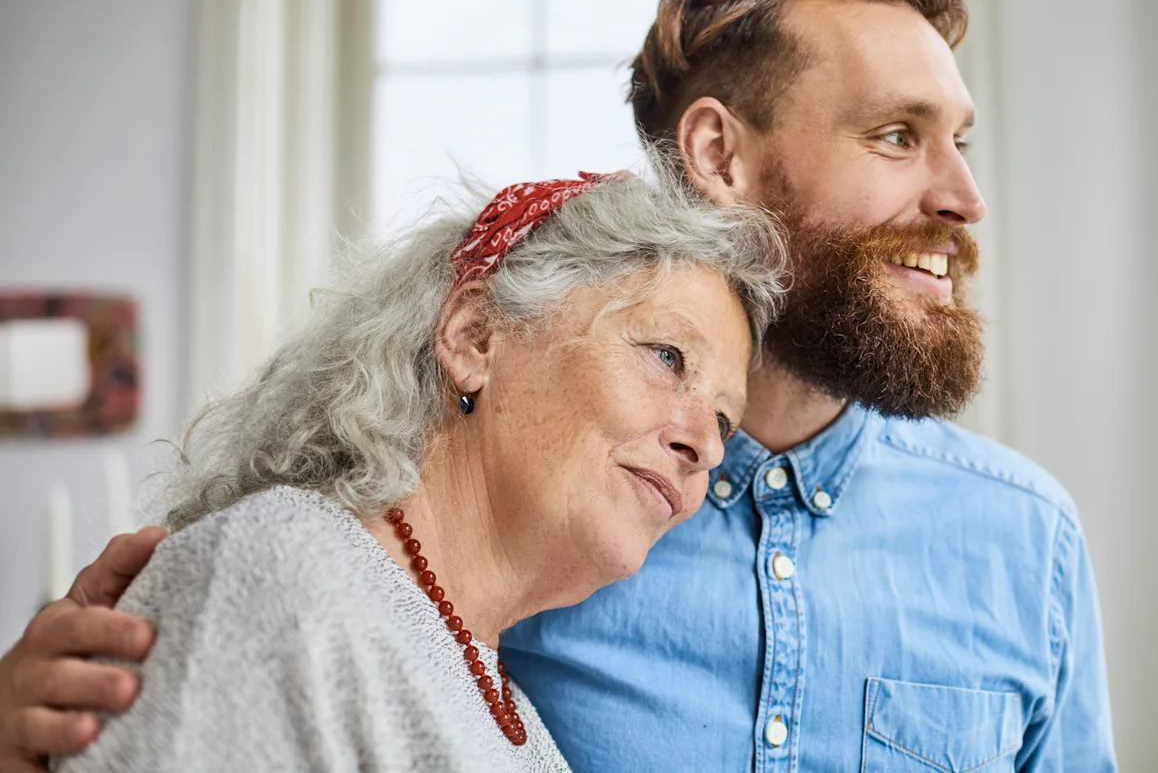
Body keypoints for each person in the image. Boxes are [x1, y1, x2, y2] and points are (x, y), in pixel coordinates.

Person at [0, 0, 1118, 771]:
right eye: (894, 135)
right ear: (719, 152)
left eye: (959, 141)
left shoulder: (1029, 544)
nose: (965, 198)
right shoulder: (551, 516)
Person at [27, 171, 785, 771]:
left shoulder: (509, 710)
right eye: (666, 357)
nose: (707, 447)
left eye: (723, 420)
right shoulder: (284, 570)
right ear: (476, 336)